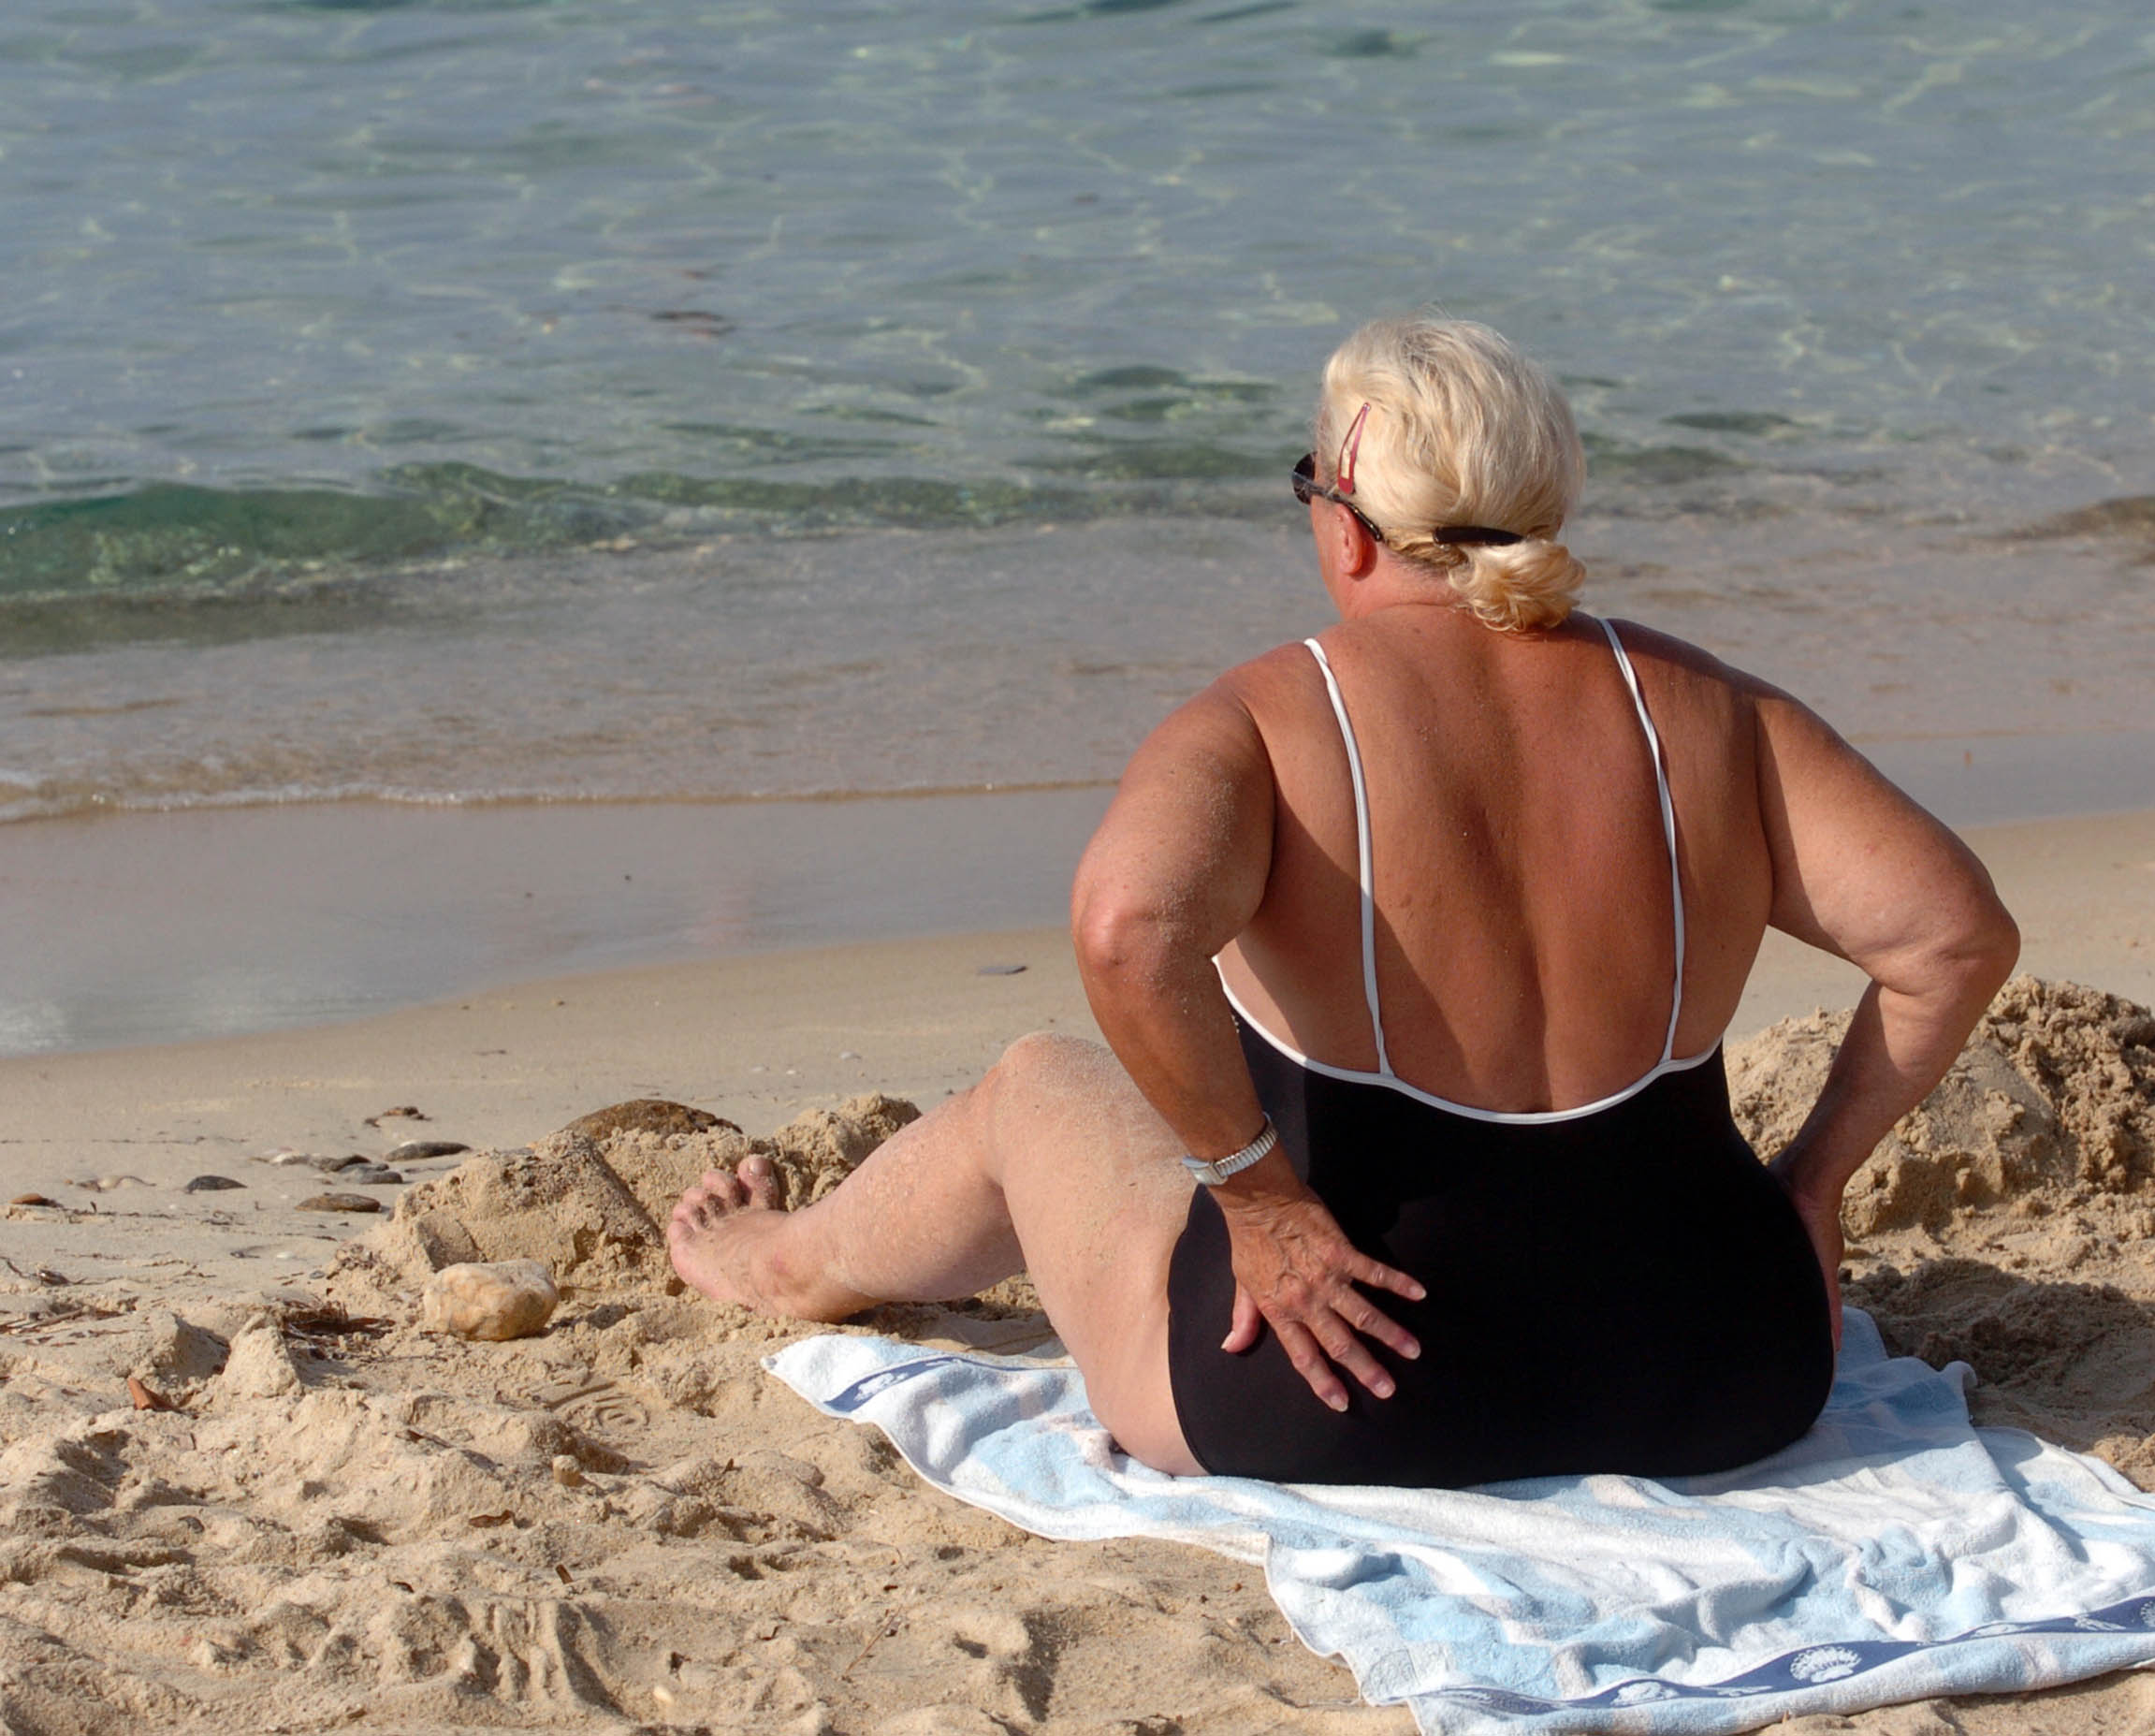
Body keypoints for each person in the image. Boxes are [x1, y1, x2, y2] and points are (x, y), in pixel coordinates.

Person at [667, 315, 2018, 1486]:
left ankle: (782, 1263)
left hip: (1342, 1386)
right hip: (1727, 1371)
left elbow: (1128, 935)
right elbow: (1956, 936)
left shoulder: (1270, 718)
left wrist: (1258, 1201)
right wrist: (1813, 1183)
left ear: (1349, 526)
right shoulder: (1714, 711)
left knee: (1035, 1087)